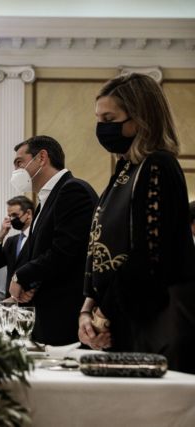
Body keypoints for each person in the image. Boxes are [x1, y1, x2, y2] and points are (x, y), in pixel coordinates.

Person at [79, 73, 195, 373]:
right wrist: (87, 311)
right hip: (119, 316)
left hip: (148, 321)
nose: (102, 127)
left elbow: (151, 255)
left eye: (109, 118)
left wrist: (103, 314)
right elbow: (98, 248)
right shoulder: (125, 169)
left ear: (141, 119)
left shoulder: (158, 165)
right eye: (98, 119)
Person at [9, 135, 97, 345]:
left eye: (20, 162)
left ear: (41, 157)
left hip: (66, 314)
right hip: (45, 313)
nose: (16, 170)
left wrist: (20, 277)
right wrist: (29, 285)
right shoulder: (44, 201)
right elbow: (39, 254)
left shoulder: (73, 190)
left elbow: (65, 251)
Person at [0, 196, 35, 298]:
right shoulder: (11, 241)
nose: (12, 219)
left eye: (15, 215)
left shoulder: (38, 238)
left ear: (29, 213)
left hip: (30, 298)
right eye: (10, 216)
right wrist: (0, 236)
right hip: (11, 300)